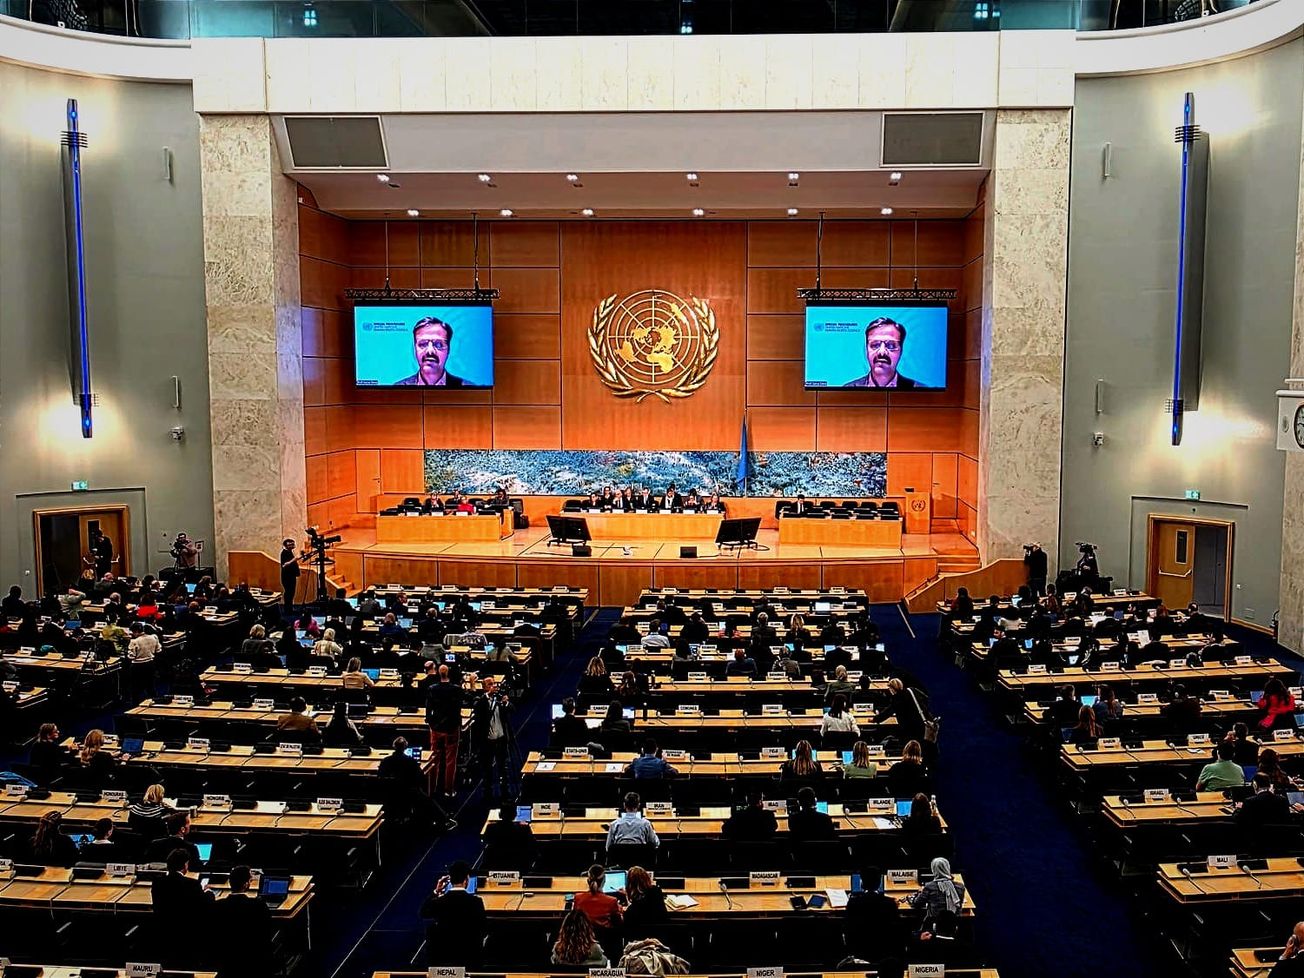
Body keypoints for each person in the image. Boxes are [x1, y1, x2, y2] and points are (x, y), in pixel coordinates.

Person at [151, 848, 215, 963]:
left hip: (163, 931)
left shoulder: (157, 883)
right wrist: (208, 892)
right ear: (185, 865)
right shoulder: (192, 884)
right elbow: (205, 904)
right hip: (188, 934)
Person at [212, 864, 274, 978]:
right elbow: (267, 930)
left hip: (226, 959)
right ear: (246, 884)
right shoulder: (257, 905)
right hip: (254, 958)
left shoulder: (218, 905)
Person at [421, 860, 486, 966]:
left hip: (443, 957)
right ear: (466, 880)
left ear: (450, 880)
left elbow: (423, 912)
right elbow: (484, 928)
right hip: (469, 957)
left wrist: (436, 891)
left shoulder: (439, 902)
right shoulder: (475, 902)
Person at [843, 317, 929, 389]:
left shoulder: (920, 390)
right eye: (875, 345)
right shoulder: (848, 390)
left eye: (891, 345)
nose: (882, 352)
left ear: (901, 351)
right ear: (866, 350)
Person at [845, 866, 906, 966]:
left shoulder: (853, 903)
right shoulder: (890, 903)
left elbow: (847, 927)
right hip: (884, 948)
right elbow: (897, 927)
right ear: (879, 883)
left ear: (862, 883)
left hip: (860, 948)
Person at [425, 664, 464, 798]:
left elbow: (428, 709)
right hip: (451, 727)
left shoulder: (432, 689)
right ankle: (448, 790)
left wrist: (431, 724)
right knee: (450, 759)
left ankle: (432, 789)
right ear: (449, 674)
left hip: (436, 727)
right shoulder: (457, 689)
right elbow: (459, 708)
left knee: (434, 757)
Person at [471, 676, 513, 800]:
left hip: (500, 739)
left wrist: (506, 702)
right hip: (487, 741)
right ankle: (487, 793)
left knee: (503, 768)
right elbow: (478, 714)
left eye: (494, 684)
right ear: (484, 687)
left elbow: (512, 709)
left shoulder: (500, 700)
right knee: (487, 769)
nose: (493, 686)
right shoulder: (481, 702)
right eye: (489, 684)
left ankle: (505, 792)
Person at [397, 317, 470, 387]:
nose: (430, 351)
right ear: (415, 349)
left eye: (438, 344)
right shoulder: (397, 390)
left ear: (448, 350)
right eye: (423, 344)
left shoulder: (469, 390)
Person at [908, 857, 965, 930]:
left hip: (935, 925)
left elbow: (917, 903)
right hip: (954, 925)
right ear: (948, 868)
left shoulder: (930, 887)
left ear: (933, 870)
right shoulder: (960, 887)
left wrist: (911, 898)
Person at [482, 803, 535, 870]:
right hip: (518, 864)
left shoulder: (491, 827)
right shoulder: (524, 828)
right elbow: (532, 844)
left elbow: (485, 840)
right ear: (515, 814)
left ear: (500, 814)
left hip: (495, 864)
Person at [574, 863, 624, 933]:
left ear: (588, 881)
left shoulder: (577, 898)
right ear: (604, 881)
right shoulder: (612, 901)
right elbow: (618, 923)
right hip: (605, 940)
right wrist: (620, 910)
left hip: (584, 939)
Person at [622, 865, 668, 940]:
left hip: (639, 940)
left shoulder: (631, 911)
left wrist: (628, 895)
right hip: (660, 935)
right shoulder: (656, 890)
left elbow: (634, 906)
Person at [278, 538, 300, 611]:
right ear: (286, 545)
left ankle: (290, 608)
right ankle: (287, 609)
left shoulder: (290, 552)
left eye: (292, 544)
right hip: (287, 577)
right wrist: (294, 559)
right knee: (288, 592)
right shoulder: (284, 553)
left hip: (291, 576)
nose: (292, 545)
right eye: (290, 544)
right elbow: (284, 565)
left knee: (291, 592)